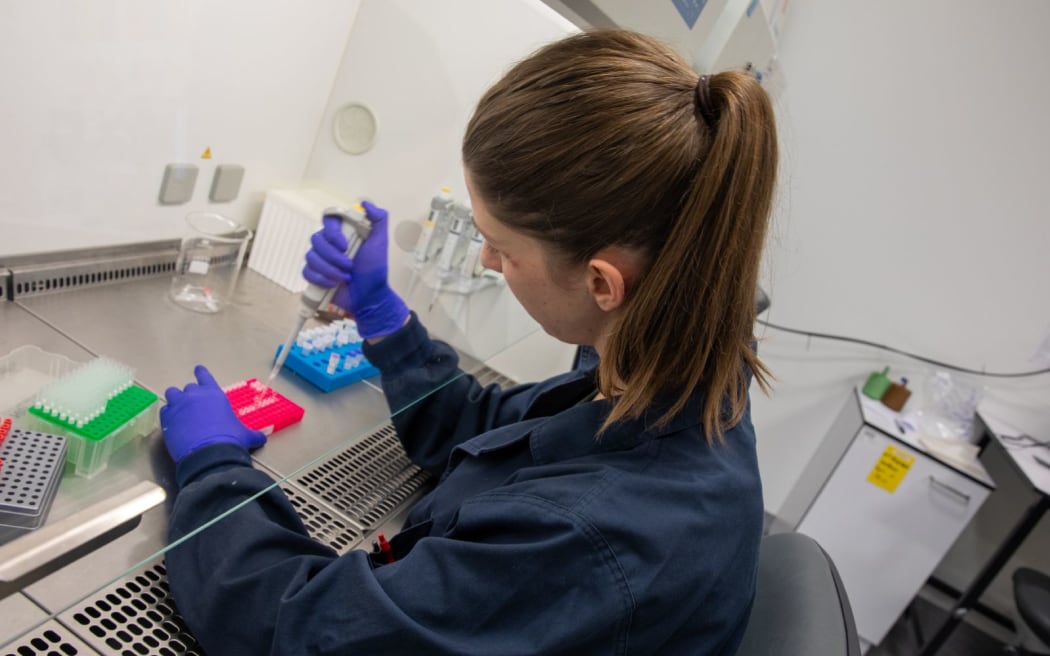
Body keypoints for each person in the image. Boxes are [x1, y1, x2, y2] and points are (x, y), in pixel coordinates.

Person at [161, 28, 777, 655]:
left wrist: (216, 469)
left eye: (502, 246)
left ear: (601, 282)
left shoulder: (590, 534)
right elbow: (491, 433)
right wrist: (381, 318)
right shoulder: (660, 374)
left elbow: (296, 632)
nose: (484, 259)